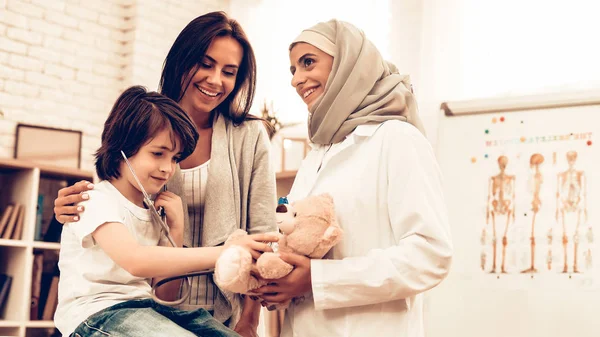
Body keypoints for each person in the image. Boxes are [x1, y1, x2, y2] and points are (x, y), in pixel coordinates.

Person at [52, 12, 277, 337]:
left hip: (211, 304)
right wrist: (68, 209)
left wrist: (251, 319)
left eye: (229, 72)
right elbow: (112, 200)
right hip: (153, 301)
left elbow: (263, 232)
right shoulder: (143, 122)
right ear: (182, 61)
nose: (216, 80)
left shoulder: (250, 135)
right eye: (206, 64)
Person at [252, 19, 453, 336]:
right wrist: (282, 281)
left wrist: (320, 280)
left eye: (308, 63)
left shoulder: (398, 139)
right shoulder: (318, 153)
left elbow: (430, 255)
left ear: (348, 63)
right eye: (293, 70)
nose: (297, 79)